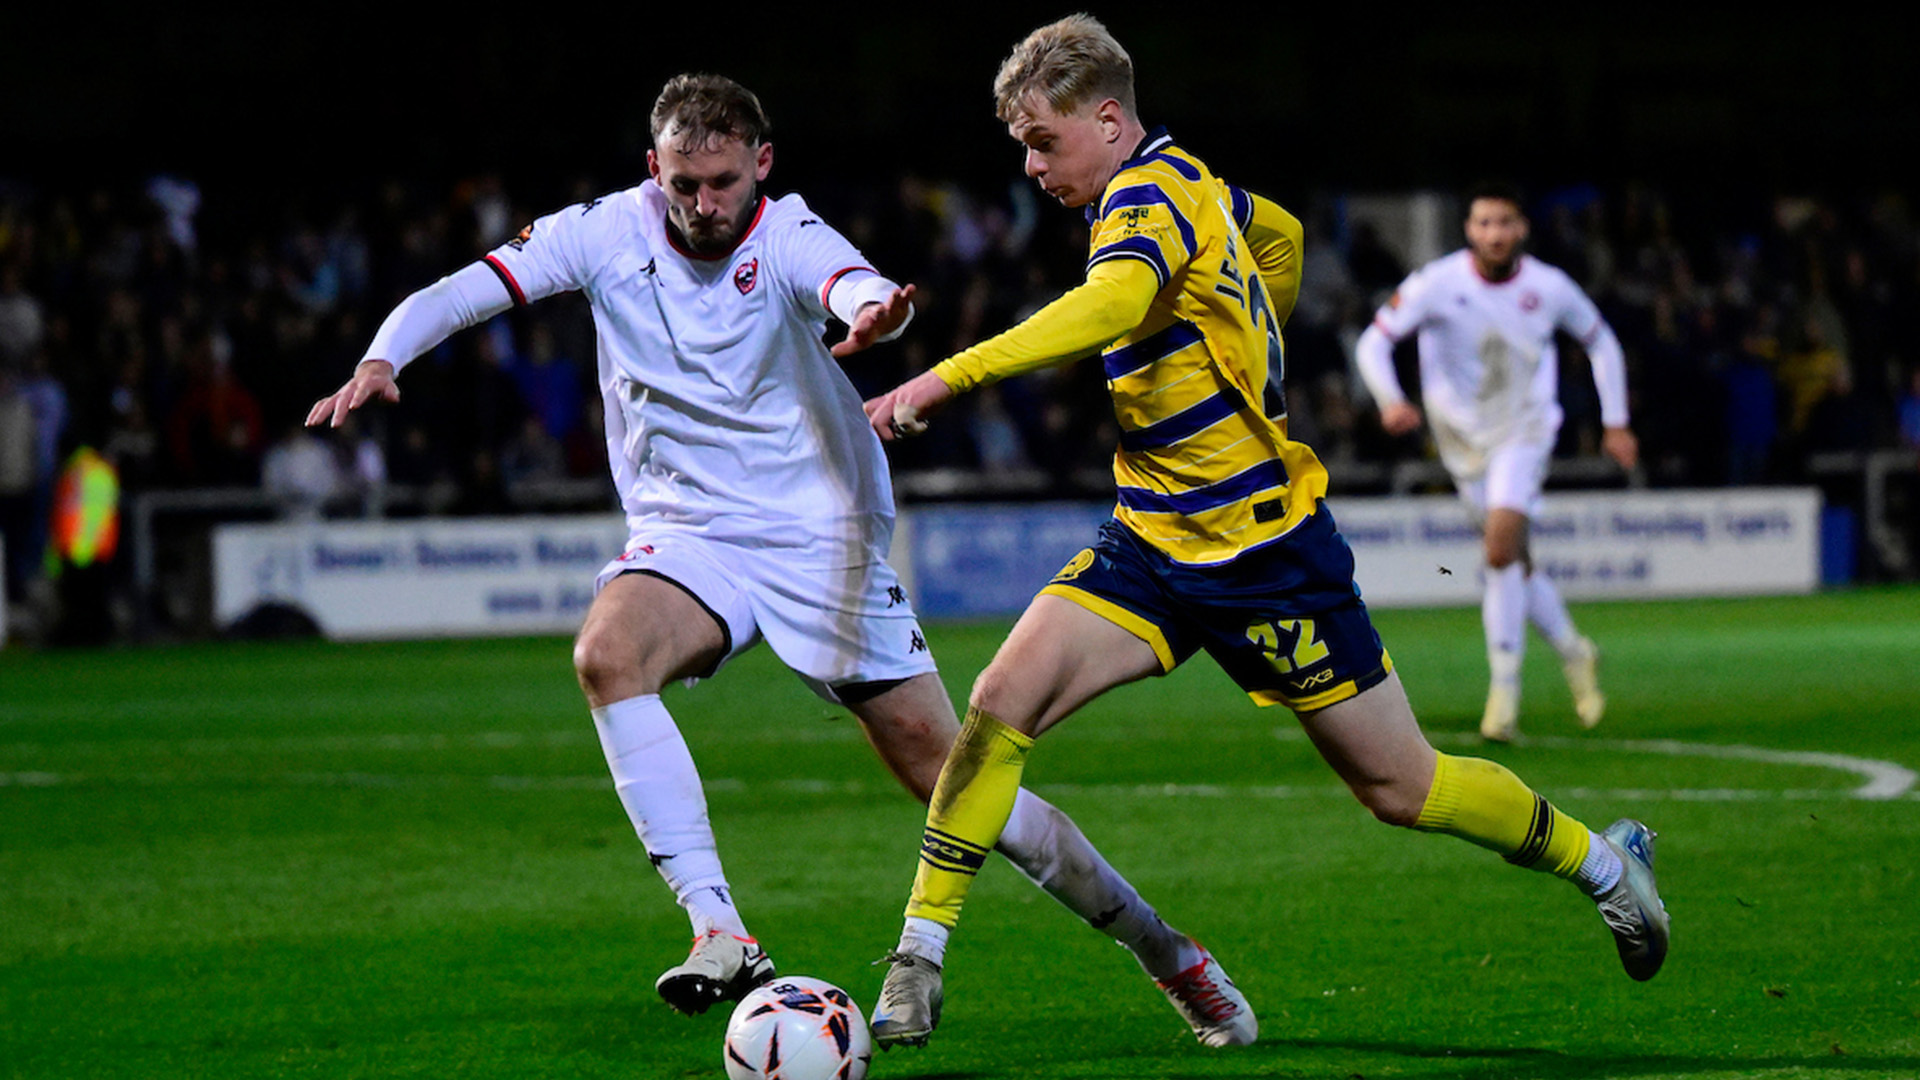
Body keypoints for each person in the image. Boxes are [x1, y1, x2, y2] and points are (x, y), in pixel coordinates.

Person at [307, 74, 1234, 1037]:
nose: (703, 206)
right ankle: (720, 928)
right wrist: (383, 358)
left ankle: (1168, 953)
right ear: (652, 170)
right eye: (683, 185)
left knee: (953, 782)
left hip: (820, 535)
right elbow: (465, 290)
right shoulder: (603, 232)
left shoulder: (787, 232)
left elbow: (854, 284)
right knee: (607, 656)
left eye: (721, 183)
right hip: (691, 533)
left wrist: (880, 316)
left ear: (762, 164)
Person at [862, 16, 1669, 1049]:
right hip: (1152, 540)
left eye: (1042, 141)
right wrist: (1251, 332)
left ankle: (1605, 865)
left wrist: (944, 377)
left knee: (1403, 786)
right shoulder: (1191, 178)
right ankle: (919, 959)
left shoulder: (1144, 204)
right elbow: (1278, 234)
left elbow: (1114, 300)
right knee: (998, 706)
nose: (1029, 165)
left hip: (1267, 556)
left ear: (1108, 121)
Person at [1353, 184, 1637, 741]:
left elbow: (1602, 342)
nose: (1495, 234)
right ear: (1469, 229)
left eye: (1505, 222)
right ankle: (1575, 651)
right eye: (1484, 223)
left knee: (1499, 549)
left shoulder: (1548, 287)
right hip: (1462, 445)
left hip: (1525, 433)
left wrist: (1617, 420)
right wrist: (1390, 399)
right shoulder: (1438, 283)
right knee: (1516, 563)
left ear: (1522, 228)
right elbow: (1373, 343)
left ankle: (1504, 692)